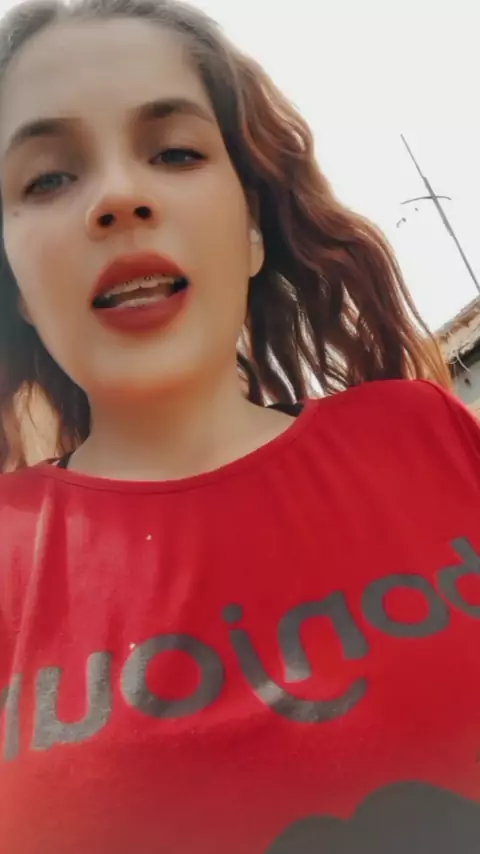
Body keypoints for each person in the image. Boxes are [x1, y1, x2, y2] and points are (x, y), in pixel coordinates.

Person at [0, 0, 478, 851]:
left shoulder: (427, 435)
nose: (119, 197)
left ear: (253, 228)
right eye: (47, 179)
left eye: (175, 152)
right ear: (18, 290)